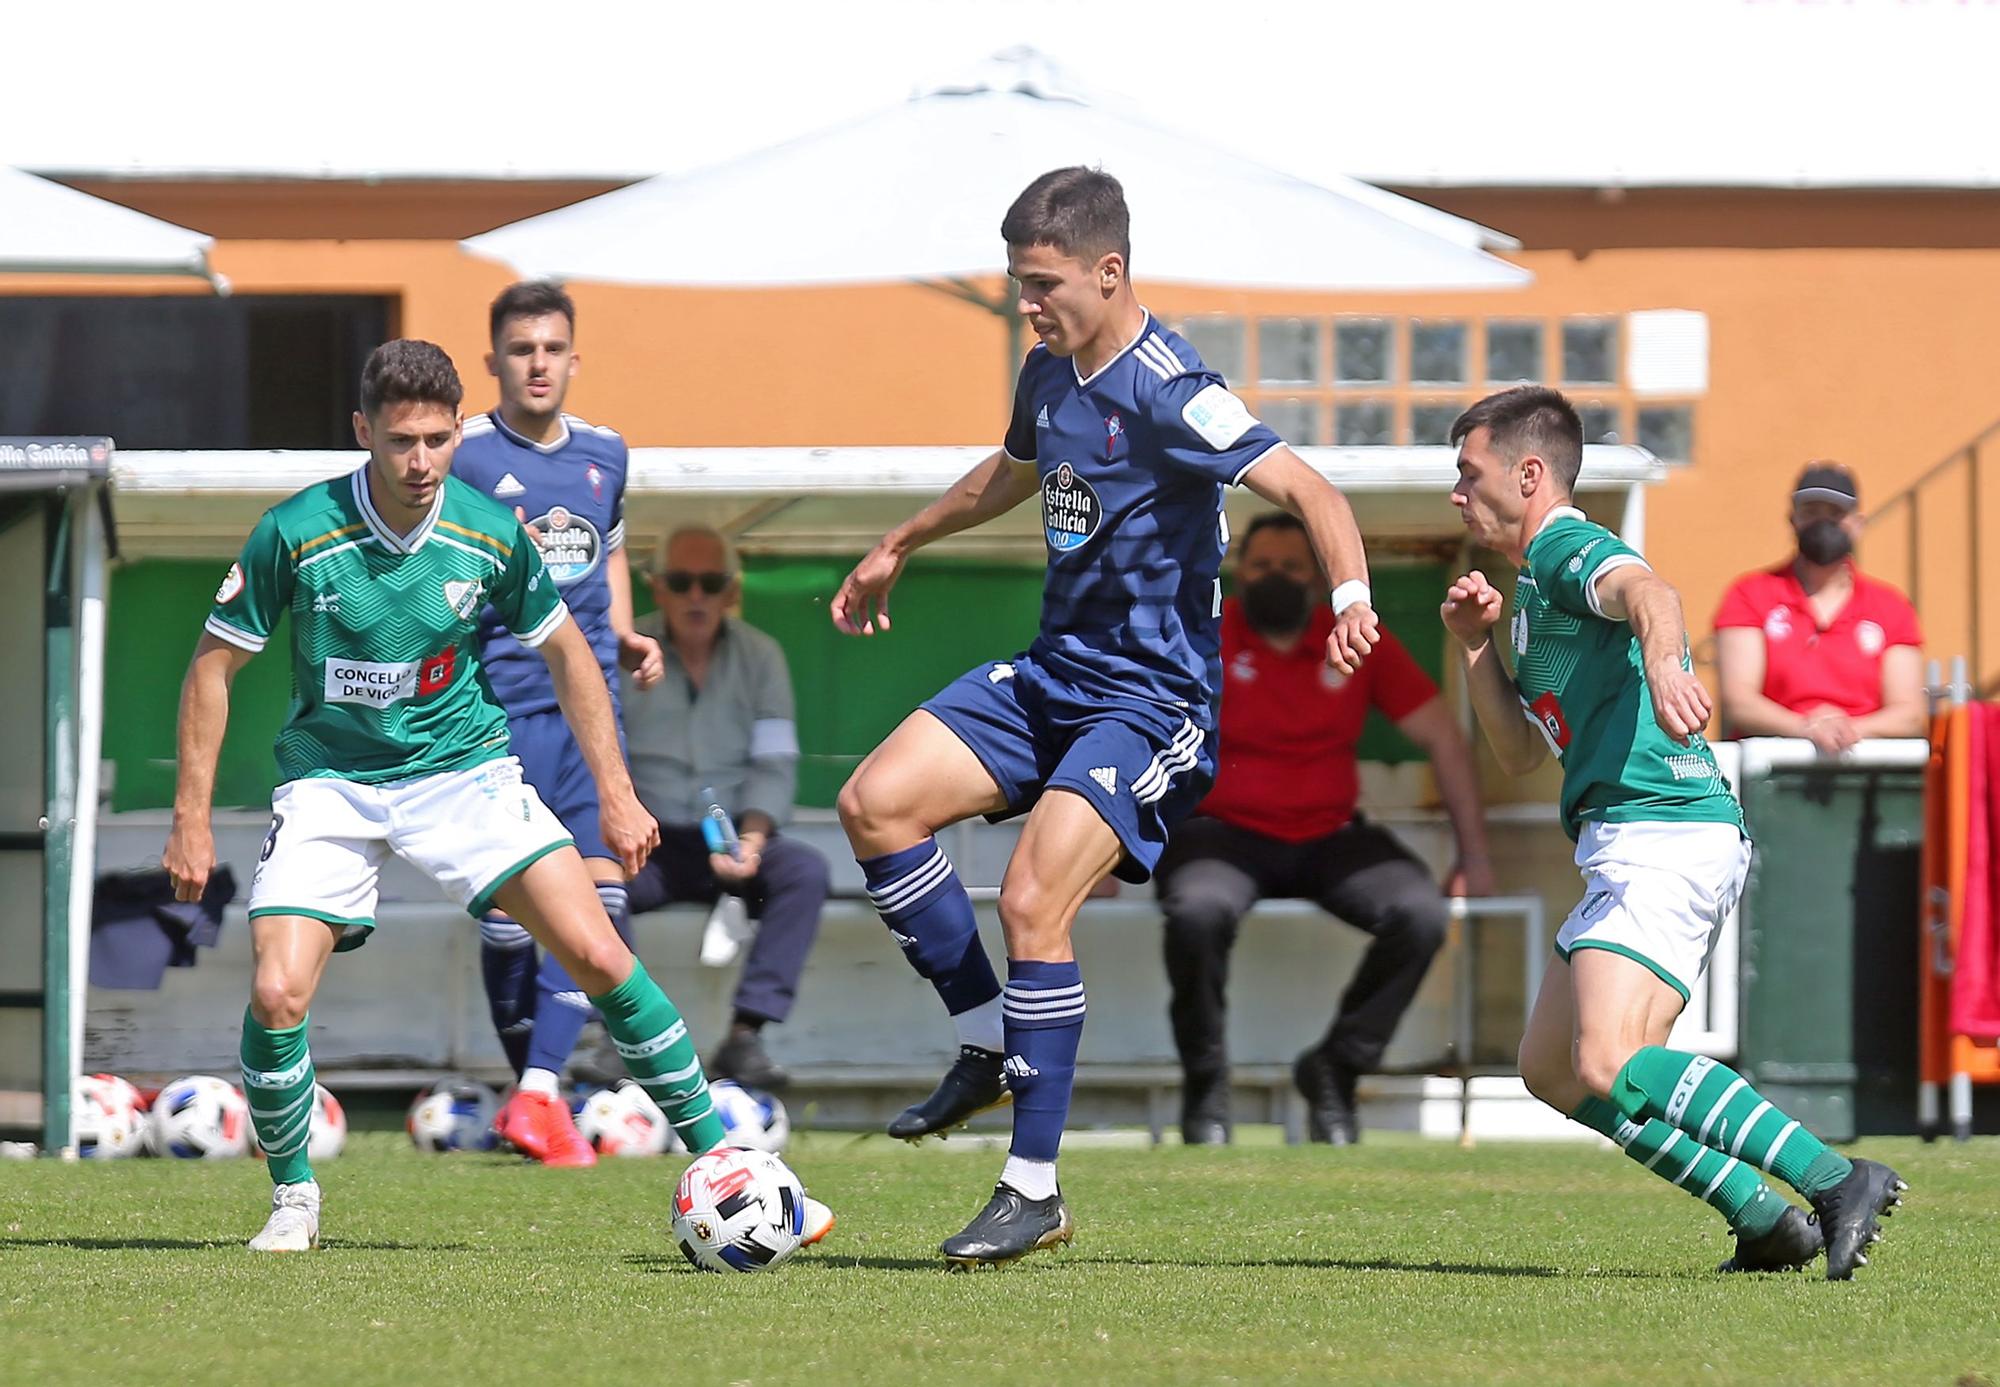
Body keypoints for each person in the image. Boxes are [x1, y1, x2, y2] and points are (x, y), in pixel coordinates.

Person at [831, 167, 1380, 1268]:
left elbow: (1312, 491)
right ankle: (987, 1040)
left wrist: (1351, 598)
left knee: (1034, 897)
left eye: (1041, 285)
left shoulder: (1174, 387)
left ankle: (1031, 1188)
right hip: (1052, 677)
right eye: (1016, 283)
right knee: (874, 803)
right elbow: (1010, 473)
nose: (1024, 305)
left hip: (1149, 703)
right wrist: (901, 540)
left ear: (1108, 270)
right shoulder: (1046, 372)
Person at [160, 340, 757, 1251]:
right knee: (279, 991)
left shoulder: (487, 528)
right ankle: (293, 1198)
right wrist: (190, 818)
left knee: (598, 949)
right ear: (363, 430)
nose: (422, 462)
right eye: (401, 441)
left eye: (440, 439)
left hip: (462, 771)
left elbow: (568, 652)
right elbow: (214, 667)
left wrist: (617, 793)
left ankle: (729, 1165)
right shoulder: (295, 529)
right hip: (332, 781)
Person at [1441, 384, 1904, 1280]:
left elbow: (1649, 589)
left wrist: (1664, 661)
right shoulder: (1532, 592)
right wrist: (1473, 646)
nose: (1456, 493)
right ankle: (1763, 1218)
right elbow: (1518, 755)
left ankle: (1837, 1176)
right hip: (1627, 841)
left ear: (1529, 473)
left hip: (1664, 831)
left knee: (1610, 1057)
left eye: (1470, 472)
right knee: (1552, 1068)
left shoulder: (1570, 547)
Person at [1157, 511, 1493, 1146]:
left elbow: (1444, 739)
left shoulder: (1357, 637)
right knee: (1197, 911)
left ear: (1316, 577)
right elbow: (1133, 731)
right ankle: (1205, 1086)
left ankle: (1335, 1069)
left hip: (1332, 835)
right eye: (1261, 567)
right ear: (1236, 572)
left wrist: (1474, 855)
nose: (1275, 578)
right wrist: (1104, 858)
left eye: (1290, 567)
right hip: (1220, 833)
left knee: (1420, 913)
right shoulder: (1201, 637)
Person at [449, 280, 664, 1167]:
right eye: (521, 348)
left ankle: (538, 1095)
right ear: (494, 360)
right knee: (513, 928)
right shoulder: (460, 457)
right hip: (496, 716)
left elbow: (606, 553)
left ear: (575, 358)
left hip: (589, 718)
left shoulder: (606, 454)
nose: (538, 363)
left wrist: (619, 631)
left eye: (552, 348)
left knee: (600, 903)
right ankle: (535, 1094)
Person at [621, 525, 831, 1090]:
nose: (696, 597)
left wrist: (754, 841)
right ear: (656, 587)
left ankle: (746, 1036)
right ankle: (616, 1037)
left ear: (731, 591)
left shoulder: (762, 656)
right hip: (649, 841)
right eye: (682, 582)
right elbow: (602, 759)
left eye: (710, 583)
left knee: (806, 872)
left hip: (738, 837)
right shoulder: (624, 650)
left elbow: (775, 762)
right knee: (591, 884)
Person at [1714, 462, 1924, 754]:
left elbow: (1910, 712)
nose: (1823, 524)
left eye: (1836, 514)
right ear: (1793, 520)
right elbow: (1739, 700)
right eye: (1811, 513)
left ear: (1858, 524)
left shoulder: (1891, 606)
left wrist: (1846, 730)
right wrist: (1805, 728)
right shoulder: (1749, 594)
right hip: (1769, 766)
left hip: (1868, 767)